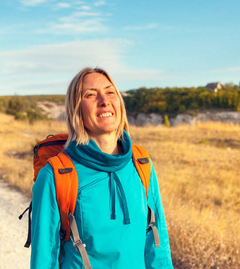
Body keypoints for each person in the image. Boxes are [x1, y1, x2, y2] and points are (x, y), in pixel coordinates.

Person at [30, 67, 173, 268]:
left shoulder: (142, 164)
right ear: (76, 109)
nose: (104, 100)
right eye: (90, 95)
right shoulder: (55, 175)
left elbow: (157, 243)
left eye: (110, 92)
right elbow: (44, 259)